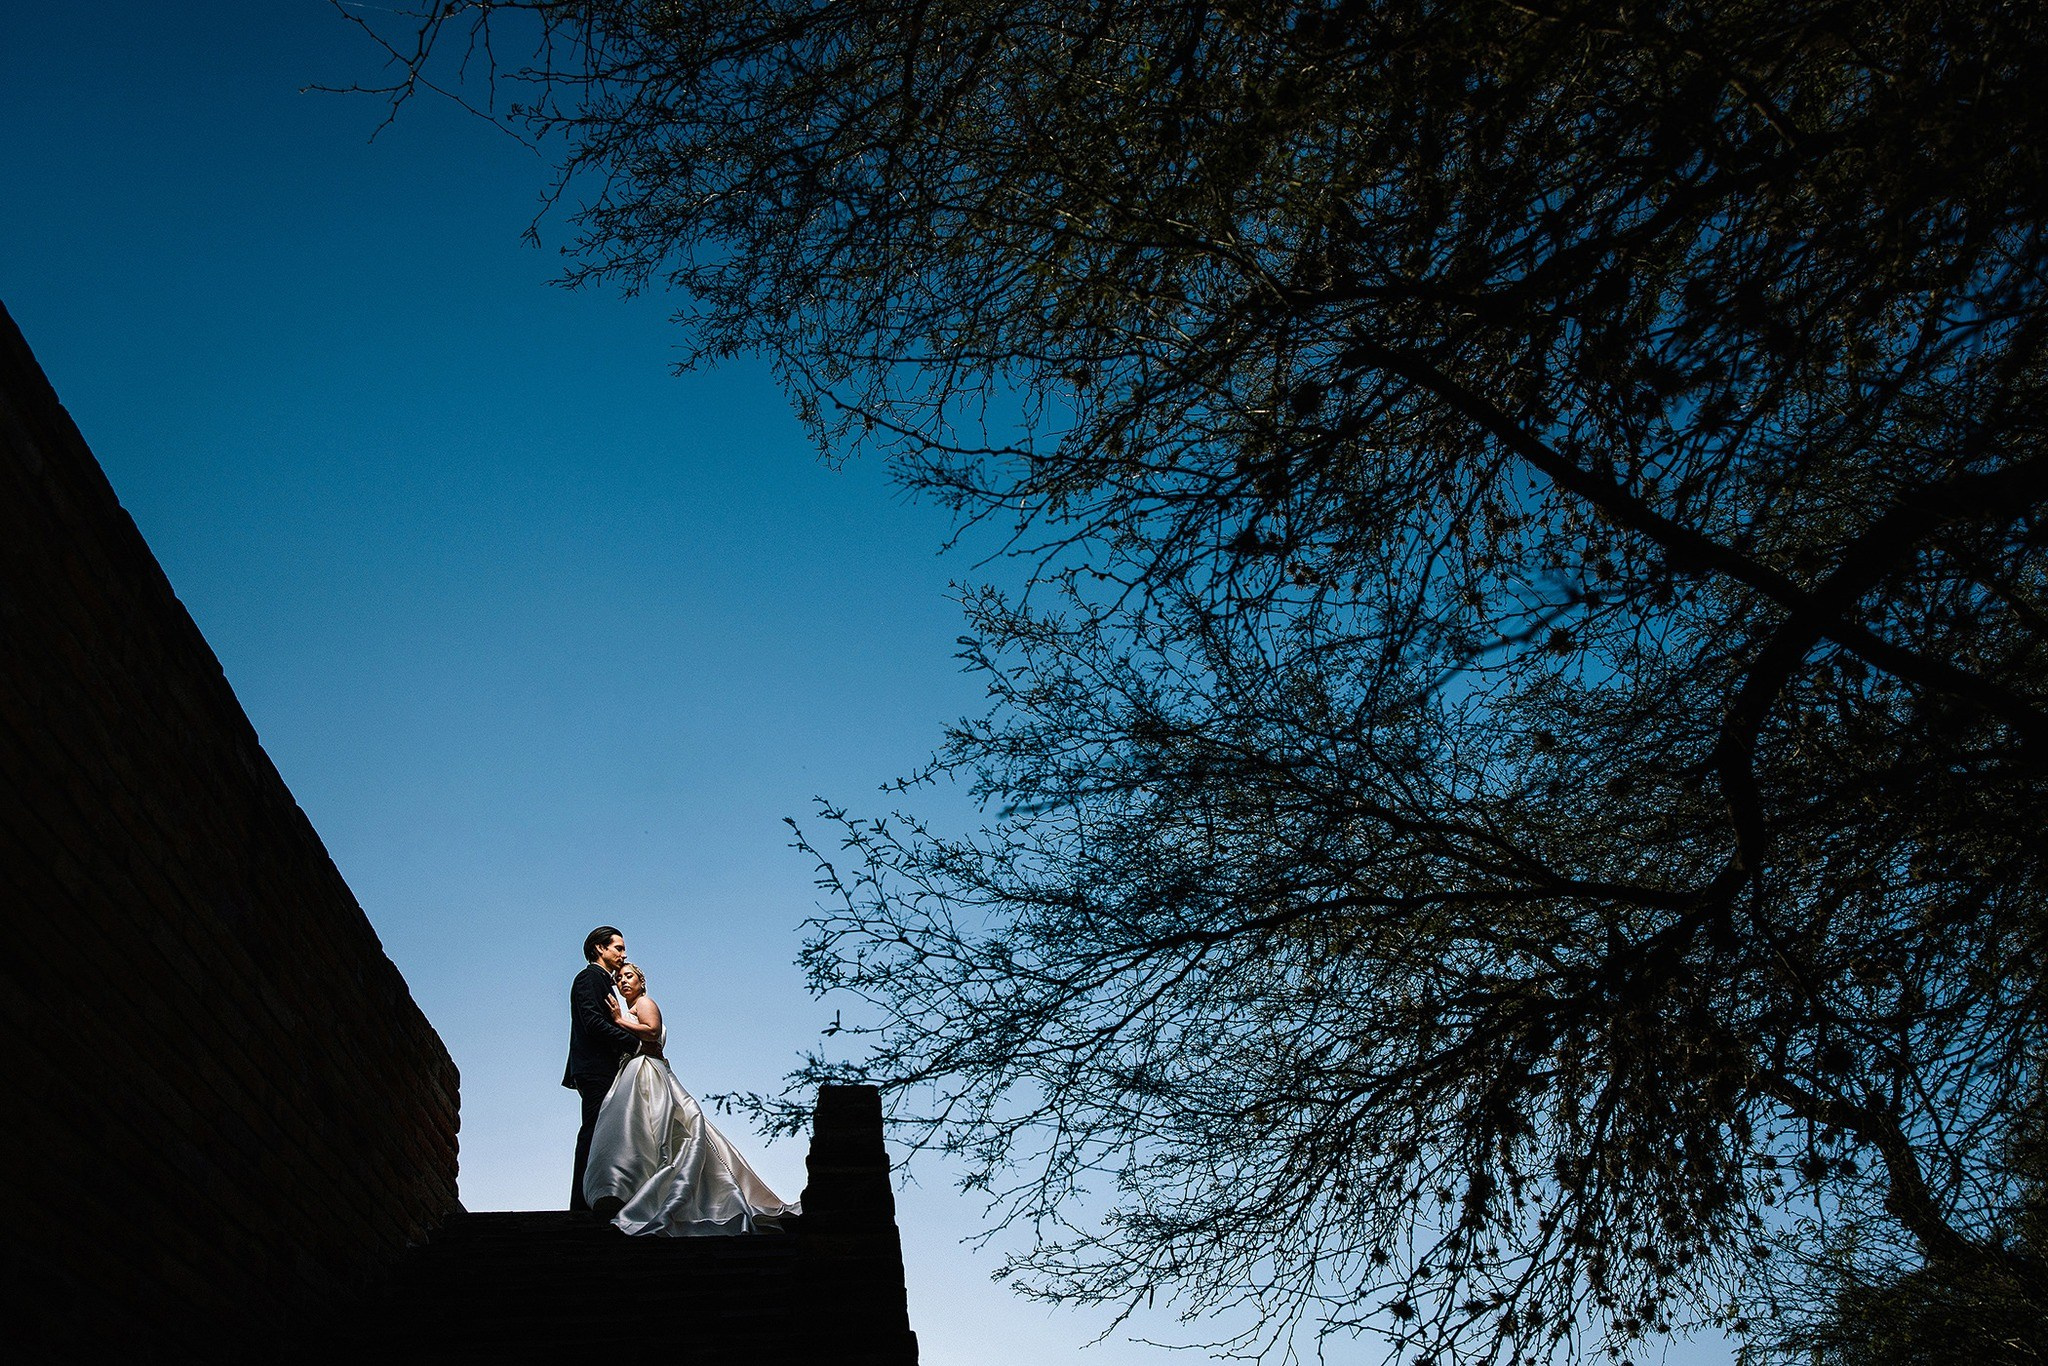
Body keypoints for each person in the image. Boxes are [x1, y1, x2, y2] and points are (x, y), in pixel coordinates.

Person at [581, 961, 801, 1234]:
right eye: (619, 978)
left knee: (666, 1129)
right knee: (637, 1134)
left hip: (649, 1071)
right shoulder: (630, 1008)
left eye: (629, 976)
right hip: (635, 1072)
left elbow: (652, 1032)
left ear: (641, 982)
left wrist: (618, 1020)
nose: (624, 981)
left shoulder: (644, 1003)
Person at [563, 925, 640, 1213]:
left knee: (604, 1133)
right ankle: (581, 1206)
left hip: (603, 1067)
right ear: (600, 948)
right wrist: (633, 1042)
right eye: (618, 947)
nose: (623, 953)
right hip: (595, 1068)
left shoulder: (605, 982)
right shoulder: (589, 978)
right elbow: (593, 1024)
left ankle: (598, 1197)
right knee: (593, 1132)